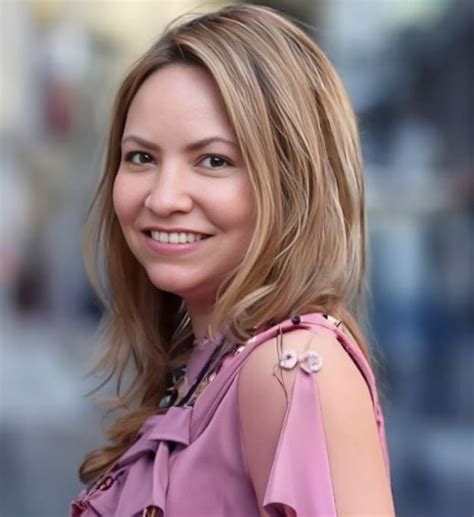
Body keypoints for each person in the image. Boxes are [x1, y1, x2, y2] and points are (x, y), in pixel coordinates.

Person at [71, 4, 395, 516]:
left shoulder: (293, 371)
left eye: (214, 160)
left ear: (292, 184)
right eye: (141, 157)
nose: (163, 197)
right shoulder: (204, 368)